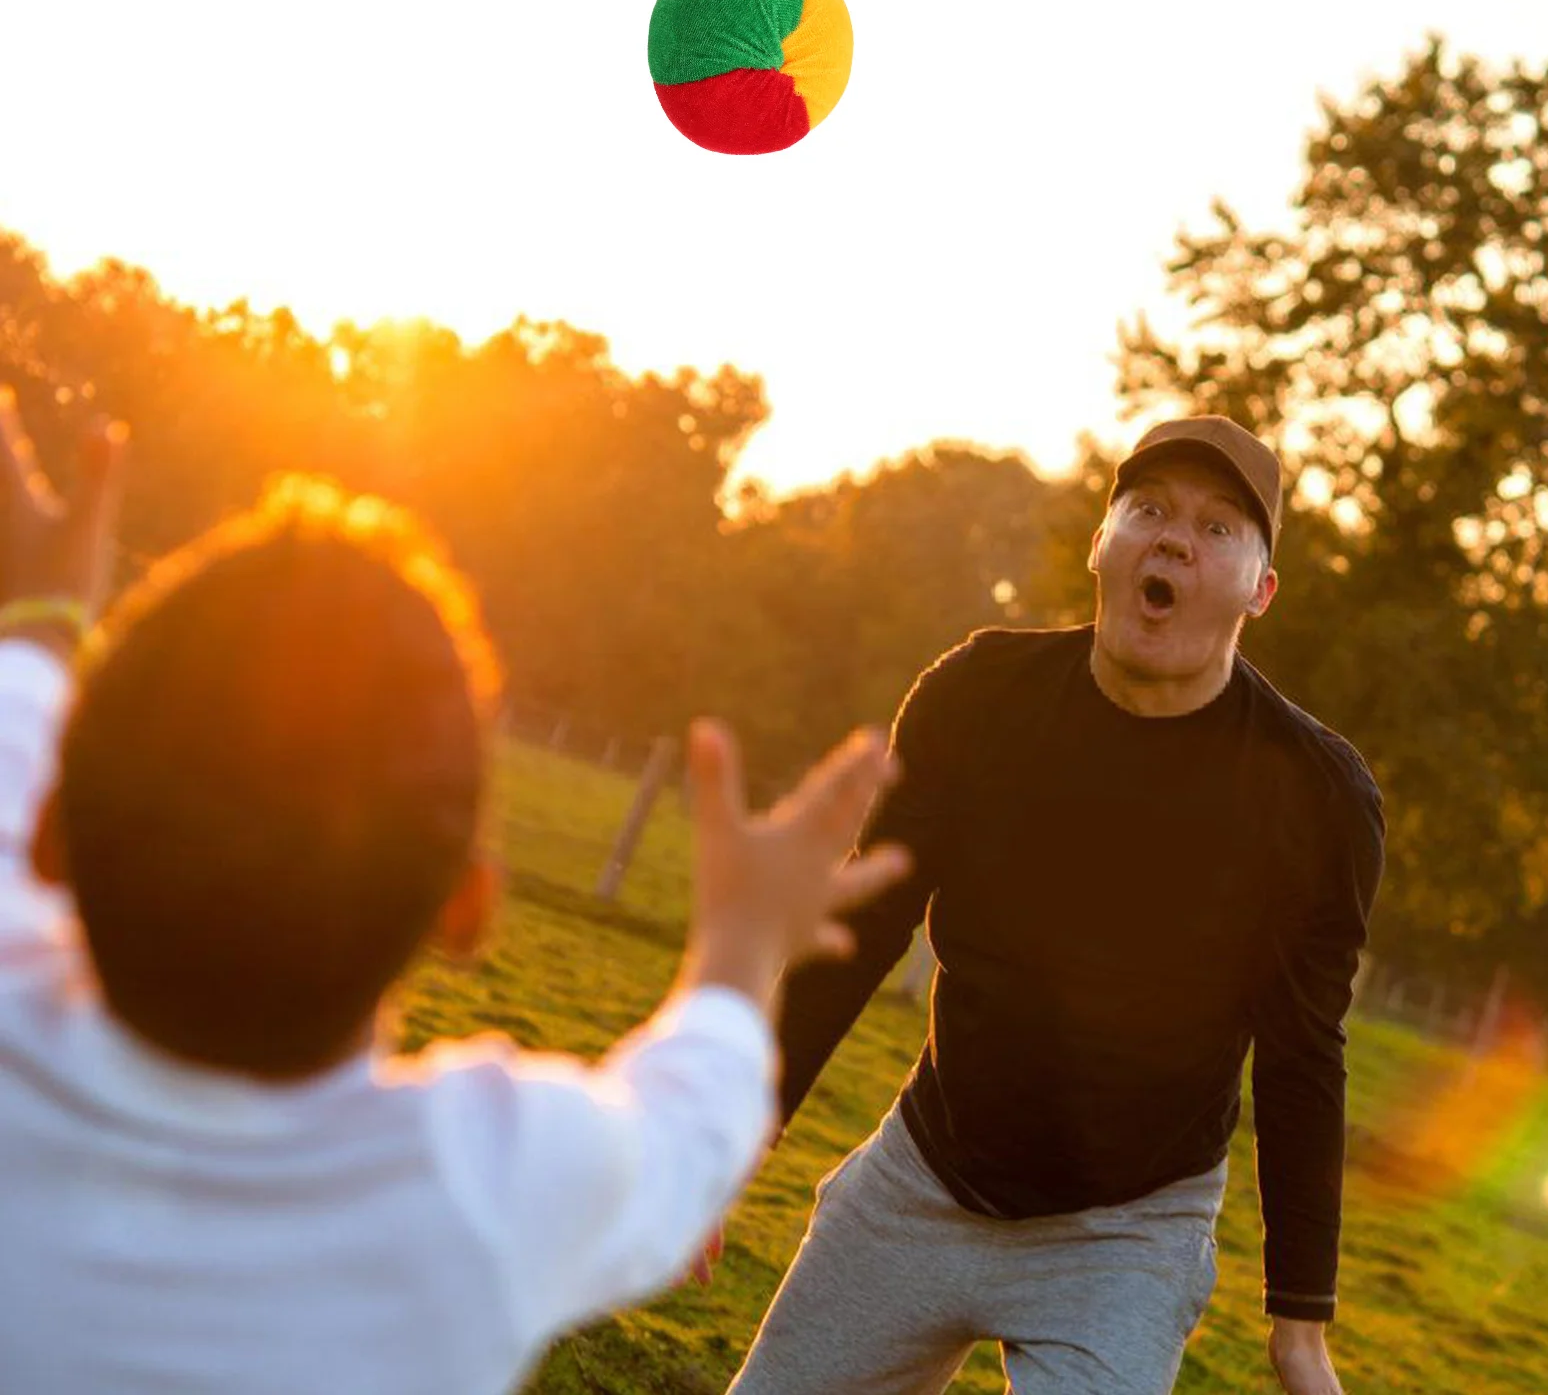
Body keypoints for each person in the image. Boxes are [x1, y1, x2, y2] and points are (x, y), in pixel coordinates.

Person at [0, 390, 909, 1393]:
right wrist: (743, 942)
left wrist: (40, 624)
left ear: (51, 841)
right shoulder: (489, 1191)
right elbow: (691, 1126)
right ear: (468, 910)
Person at [724, 416, 1386, 1395]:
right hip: (925, 1177)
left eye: (1215, 528)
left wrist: (1299, 1327)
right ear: (1100, 543)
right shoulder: (977, 695)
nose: (1170, 538)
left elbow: (1300, 1053)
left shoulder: (1317, 797)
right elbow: (865, 923)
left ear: (1261, 588)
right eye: (1147, 509)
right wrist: (735, 1140)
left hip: (1124, 1232)